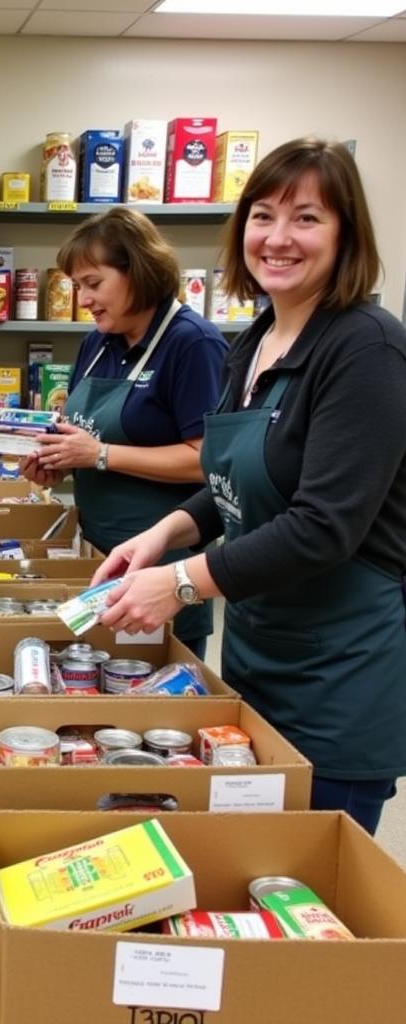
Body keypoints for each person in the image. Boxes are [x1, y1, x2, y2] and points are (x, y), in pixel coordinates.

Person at [92, 138, 406, 834]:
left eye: (307, 218)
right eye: (263, 216)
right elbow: (231, 480)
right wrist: (164, 534)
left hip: (338, 679)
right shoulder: (253, 340)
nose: (279, 238)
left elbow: (323, 524)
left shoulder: (367, 349)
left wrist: (178, 585)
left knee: (309, 889)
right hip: (258, 655)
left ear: (346, 233)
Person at [0, 207, 227, 657]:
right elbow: (82, 441)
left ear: (140, 271)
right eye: (76, 287)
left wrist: (99, 455)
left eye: (94, 283)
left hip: (161, 563)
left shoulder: (192, 343)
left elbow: (209, 461)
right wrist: (43, 457)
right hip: (96, 552)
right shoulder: (97, 342)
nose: (84, 299)